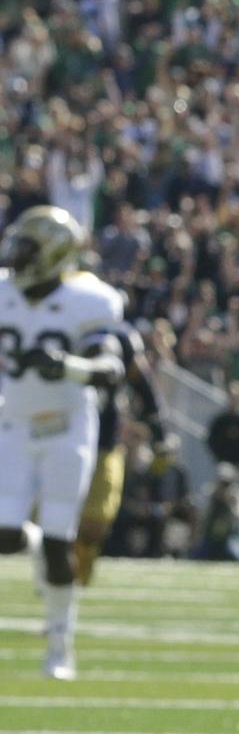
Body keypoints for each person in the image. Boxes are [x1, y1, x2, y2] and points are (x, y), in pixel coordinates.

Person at [0, 207, 125, 678]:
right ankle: (30, 542)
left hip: (67, 426)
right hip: (12, 422)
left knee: (59, 539)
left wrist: (69, 366)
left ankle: (59, 646)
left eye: (26, 248)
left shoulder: (89, 300)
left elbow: (109, 366)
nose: (15, 256)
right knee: (5, 534)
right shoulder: (4, 291)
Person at [75, 321, 166, 585]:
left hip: (105, 441)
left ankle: (74, 582)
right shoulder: (53, 320)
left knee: (97, 522)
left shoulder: (119, 335)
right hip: (59, 435)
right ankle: (58, 577)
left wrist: (159, 431)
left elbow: (143, 386)